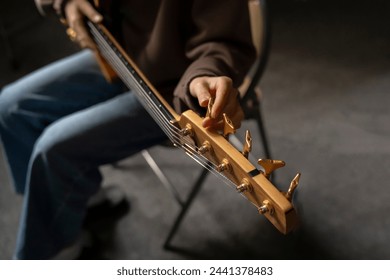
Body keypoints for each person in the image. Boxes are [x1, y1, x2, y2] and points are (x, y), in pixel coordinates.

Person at [0, 0, 256, 259]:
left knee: (52, 147)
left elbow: (225, 42)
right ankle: (83, 203)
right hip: (119, 53)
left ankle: (56, 249)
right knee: (9, 106)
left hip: (177, 85)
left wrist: (205, 74)